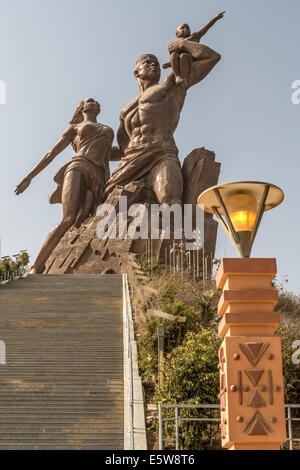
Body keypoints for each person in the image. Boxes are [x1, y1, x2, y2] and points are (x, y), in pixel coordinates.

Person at [105, 41, 221, 207]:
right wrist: (94, 153)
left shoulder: (171, 84)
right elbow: (123, 149)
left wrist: (183, 43)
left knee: (170, 203)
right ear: (136, 72)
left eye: (157, 63)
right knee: (105, 210)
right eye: (147, 62)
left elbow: (211, 57)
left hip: (161, 153)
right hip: (130, 161)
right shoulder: (126, 110)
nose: (154, 64)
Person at [15, 98, 114, 273]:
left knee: (84, 219)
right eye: (90, 101)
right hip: (78, 166)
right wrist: (29, 177)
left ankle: (75, 265)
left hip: (98, 175)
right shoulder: (75, 128)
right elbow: (51, 153)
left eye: (97, 101)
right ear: (82, 109)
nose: (95, 101)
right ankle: (36, 266)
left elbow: (109, 156)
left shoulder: (107, 130)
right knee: (68, 219)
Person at [162, 12, 225, 87]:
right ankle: (177, 76)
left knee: (183, 56)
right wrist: (169, 64)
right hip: (178, 63)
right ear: (177, 33)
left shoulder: (193, 37)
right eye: (182, 28)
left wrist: (216, 18)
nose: (186, 29)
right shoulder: (173, 44)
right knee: (174, 55)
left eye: (187, 28)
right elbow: (175, 59)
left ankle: (184, 78)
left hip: (190, 58)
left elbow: (206, 27)